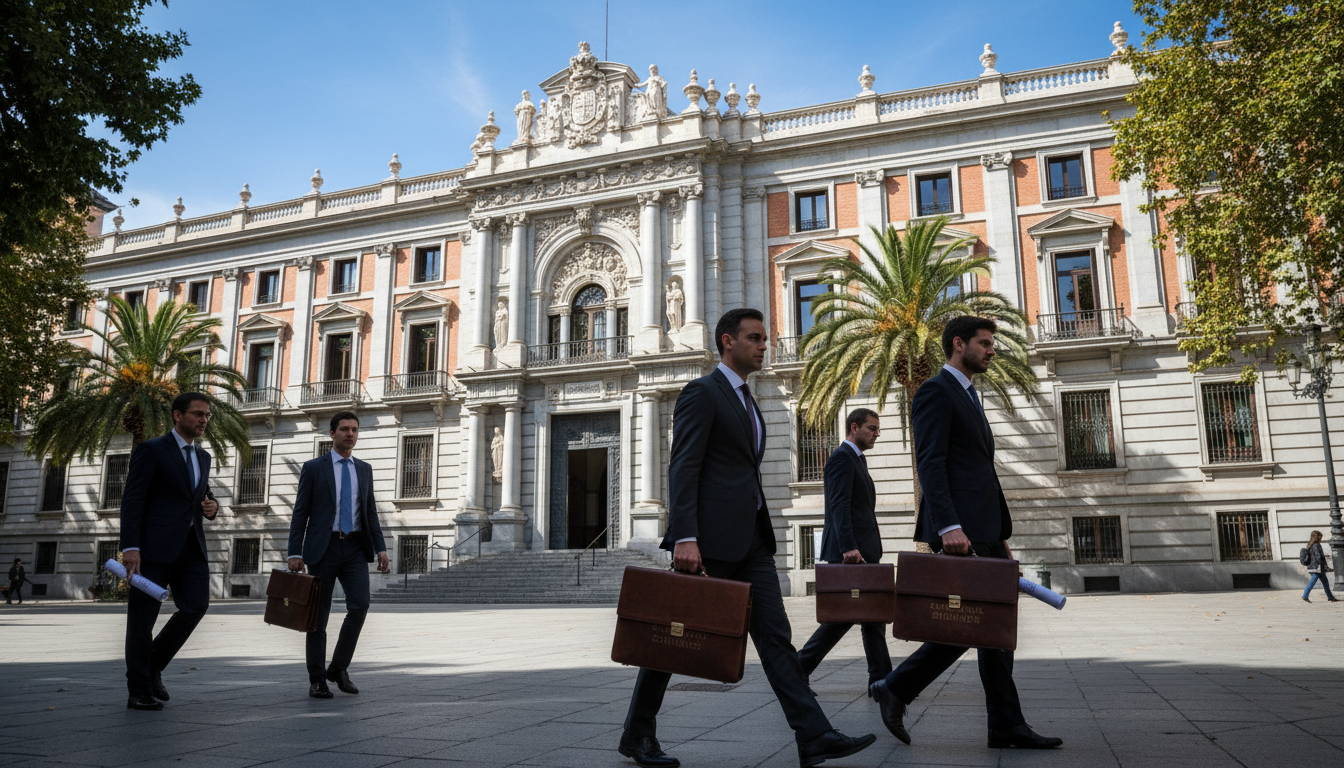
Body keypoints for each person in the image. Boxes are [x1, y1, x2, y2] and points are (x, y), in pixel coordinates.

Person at [619, 308, 876, 768]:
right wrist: (685, 536)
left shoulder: (747, 399)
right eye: (755, 338)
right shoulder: (703, 393)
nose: (764, 346)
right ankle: (637, 735)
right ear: (726, 342)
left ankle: (813, 735)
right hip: (710, 543)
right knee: (670, 638)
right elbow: (684, 467)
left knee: (776, 638)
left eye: (764, 338)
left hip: (752, 541)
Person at [869, 316, 1062, 750]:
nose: (992, 350)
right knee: (975, 625)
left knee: (995, 627)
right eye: (985, 343)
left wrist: (1001, 538)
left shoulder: (970, 394)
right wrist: (950, 526)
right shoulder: (937, 391)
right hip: (960, 531)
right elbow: (931, 463)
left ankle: (1005, 724)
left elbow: (978, 471)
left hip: (984, 529)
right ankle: (896, 687)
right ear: (959, 344)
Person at [119, 392, 220, 711]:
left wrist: (212, 506)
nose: (203, 419)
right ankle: (139, 690)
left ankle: (150, 666)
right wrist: (131, 546)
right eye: (197, 414)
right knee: (142, 622)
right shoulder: (151, 450)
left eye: (207, 415)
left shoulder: (203, 457)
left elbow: (200, 494)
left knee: (195, 606)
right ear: (178, 415)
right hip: (152, 550)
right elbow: (133, 500)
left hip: (191, 548)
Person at [287, 411, 389, 699]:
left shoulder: (364, 469)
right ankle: (317, 678)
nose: (350, 434)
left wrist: (380, 547)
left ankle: (339, 668)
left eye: (355, 429)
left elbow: (370, 512)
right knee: (318, 617)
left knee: (360, 605)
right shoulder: (314, 468)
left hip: (355, 547)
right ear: (332, 434)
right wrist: (294, 551)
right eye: (344, 429)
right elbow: (300, 513)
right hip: (324, 548)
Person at [797, 408, 891, 691]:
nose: (877, 434)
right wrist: (849, 546)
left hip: (864, 551)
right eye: (872, 429)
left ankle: (881, 679)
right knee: (846, 616)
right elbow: (838, 505)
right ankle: (798, 667)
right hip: (852, 553)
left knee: (873, 616)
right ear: (854, 427)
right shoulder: (842, 458)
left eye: (877, 429)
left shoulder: (856, 460)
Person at [1301, 530, 1337, 603]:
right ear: (1318, 537)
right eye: (1320, 537)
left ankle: (1330, 597)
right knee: (1313, 581)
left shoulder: (1309, 545)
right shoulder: (1317, 545)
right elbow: (1318, 557)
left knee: (1325, 582)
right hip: (1317, 568)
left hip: (1312, 567)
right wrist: (1323, 566)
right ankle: (1305, 595)